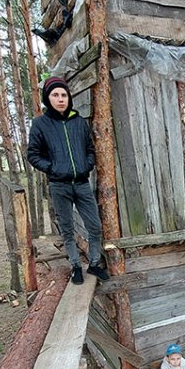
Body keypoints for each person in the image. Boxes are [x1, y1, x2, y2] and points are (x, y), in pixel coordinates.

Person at [27, 77, 109, 285]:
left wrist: (87, 165)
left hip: (82, 184)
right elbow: (33, 155)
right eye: (55, 95)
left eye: (64, 95)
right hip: (59, 185)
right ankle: (75, 267)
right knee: (67, 229)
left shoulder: (78, 122)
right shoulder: (40, 124)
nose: (61, 99)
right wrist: (53, 168)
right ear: (48, 98)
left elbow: (90, 149)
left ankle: (94, 263)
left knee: (95, 226)